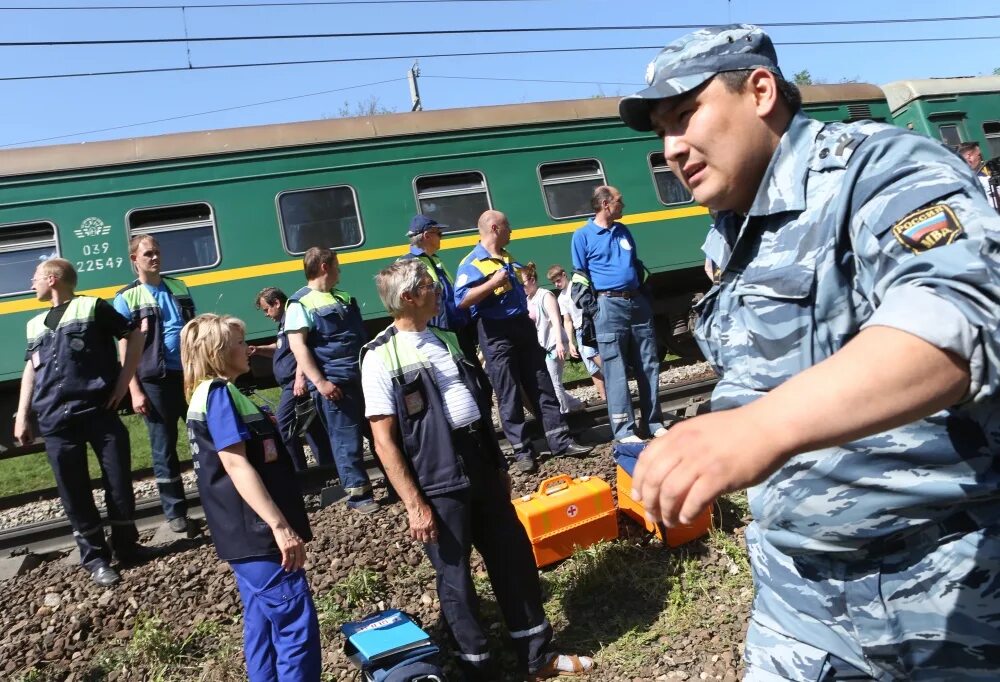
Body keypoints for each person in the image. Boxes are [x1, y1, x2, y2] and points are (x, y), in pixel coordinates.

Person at [619, 24, 1000, 680]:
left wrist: (761, 427)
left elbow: (963, 317)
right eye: (661, 132)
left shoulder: (879, 170)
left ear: (760, 90)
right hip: (799, 601)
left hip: (941, 591)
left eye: (685, 116)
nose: (671, 148)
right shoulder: (733, 227)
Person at [361, 259, 594, 681]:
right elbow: (383, 440)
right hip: (436, 479)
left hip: (480, 465)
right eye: (430, 286)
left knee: (514, 557)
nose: (438, 291)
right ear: (409, 297)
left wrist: (497, 462)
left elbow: (477, 409)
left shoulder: (446, 339)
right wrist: (414, 504)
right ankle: (478, 672)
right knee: (456, 580)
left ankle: (537, 657)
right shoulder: (379, 355)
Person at [182, 314, 320, 682]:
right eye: (239, 343)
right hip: (257, 535)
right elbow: (235, 464)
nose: (247, 348)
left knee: (261, 626)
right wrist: (280, 527)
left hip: (240, 535)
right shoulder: (219, 394)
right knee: (294, 625)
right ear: (217, 351)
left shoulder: (213, 394)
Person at [14, 259, 150, 586]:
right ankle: (95, 559)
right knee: (73, 492)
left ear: (52, 279)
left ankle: (126, 547)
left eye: (35, 278)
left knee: (117, 483)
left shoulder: (93, 308)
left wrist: (122, 384)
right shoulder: (34, 325)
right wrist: (22, 414)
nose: (32, 284)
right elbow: (31, 370)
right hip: (55, 419)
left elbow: (134, 337)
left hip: (98, 411)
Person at [455, 210, 592, 473]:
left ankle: (560, 441)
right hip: (495, 332)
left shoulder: (507, 257)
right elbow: (461, 300)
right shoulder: (472, 263)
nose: (511, 231)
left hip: (521, 327)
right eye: (508, 226)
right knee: (508, 393)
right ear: (495, 228)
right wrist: (492, 283)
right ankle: (523, 453)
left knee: (542, 383)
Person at [570, 185, 667, 444]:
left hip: (636, 304)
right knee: (615, 369)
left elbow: (635, 264)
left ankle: (653, 422)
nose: (623, 205)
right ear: (605, 204)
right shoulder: (582, 236)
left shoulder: (624, 231)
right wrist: (595, 308)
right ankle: (624, 431)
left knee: (649, 363)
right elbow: (580, 275)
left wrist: (644, 296)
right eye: (619, 201)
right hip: (608, 306)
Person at [285, 247, 377, 514]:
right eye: (337, 265)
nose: (340, 270)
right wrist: (321, 382)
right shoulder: (299, 304)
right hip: (335, 383)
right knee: (346, 441)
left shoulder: (344, 297)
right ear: (325, 266)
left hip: (360, 377)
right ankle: (359, 496)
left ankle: (397, 483)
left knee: (381, 434)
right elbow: (298, 347)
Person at [113, 235, 195, 534]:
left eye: (157, 252)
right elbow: (124, 349)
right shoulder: (126, 297)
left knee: (207, 436)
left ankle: (219, 495)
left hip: (189, 376)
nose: (155, 258)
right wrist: (133, 390)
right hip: (153, 381)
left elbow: (193, 330)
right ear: (135, 260)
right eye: (148, 254)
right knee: (164, 448)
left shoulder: (178, 286)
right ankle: (175, 512)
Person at [249, 287, 335, 471]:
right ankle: (327, 467)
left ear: (277, 303)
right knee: (311, 425)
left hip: (294, 384)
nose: (266, 314)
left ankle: (298, 469)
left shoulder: (292, 320)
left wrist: (300, 378)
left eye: (266, 309)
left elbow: (302, 350)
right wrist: (260, 350)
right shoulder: (283, 324)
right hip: (291, 384)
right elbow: (281, 347)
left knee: (283, 423)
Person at [398, 214, 479, 365]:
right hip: (438, 334)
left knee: (475, 375)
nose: (441, 237)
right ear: (427, 235)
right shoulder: (407, 263)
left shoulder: (435, 259)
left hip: (457, 330)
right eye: (439, 233)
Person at [522, 262, 584, 414]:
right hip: (543, 347)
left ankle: (564, 415)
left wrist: (560, 344)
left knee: (554, 382)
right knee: (550, 381)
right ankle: (576, 404)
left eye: (522, 283)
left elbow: (556, 320)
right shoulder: (529, 299)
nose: (520, 287)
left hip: (554, 344)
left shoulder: (545, 295)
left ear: (532, 280)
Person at [546, 264, 606, 402]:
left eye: (558, 280)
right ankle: (604, 396)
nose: (557, 284)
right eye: (554, 282)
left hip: (589, 327)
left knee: (591, 354)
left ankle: (614, 375)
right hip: (579, 332)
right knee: (591, 367)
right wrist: (571, 342)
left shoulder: (577, 286)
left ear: (564, 275)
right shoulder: (561, 298)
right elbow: (567, 320)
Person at [957, 141, 998, 210]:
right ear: (969, 157)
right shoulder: (984, 180)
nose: (981, 159)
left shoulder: (953, 178)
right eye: (979, 155)